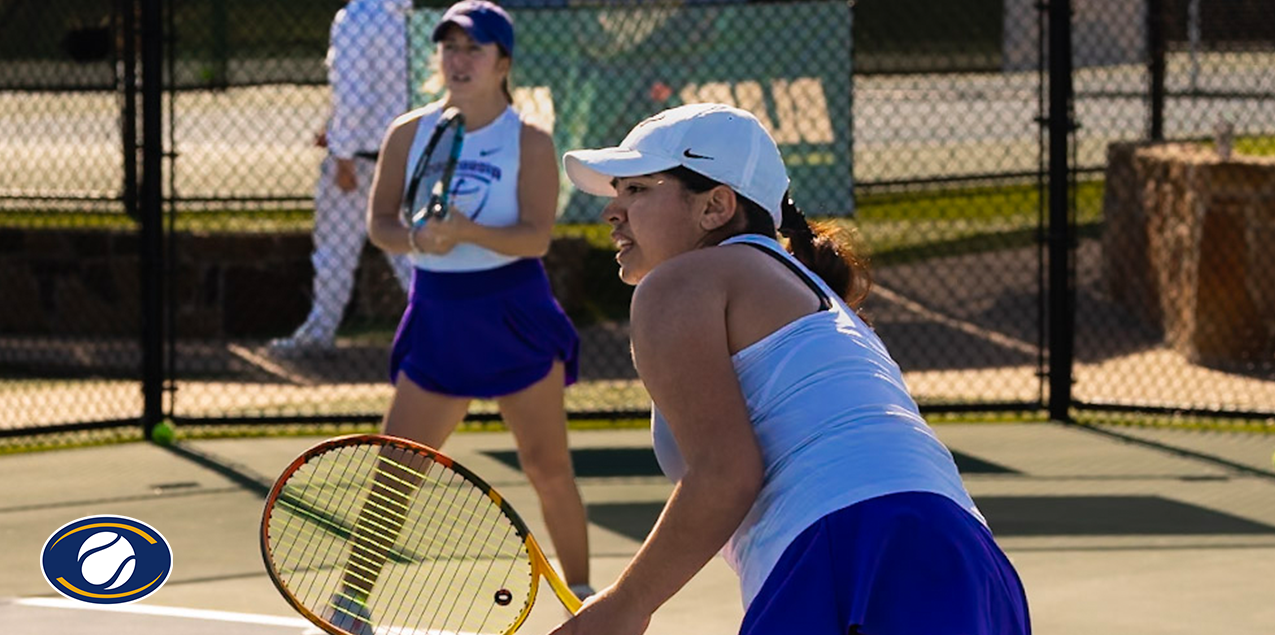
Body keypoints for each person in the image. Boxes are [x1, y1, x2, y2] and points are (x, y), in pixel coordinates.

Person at [552, 103, 1031, 635]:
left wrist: (626, 604)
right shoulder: (811, 293)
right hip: (971, 562)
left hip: (854, 549)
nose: (611, 211)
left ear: (715, 206)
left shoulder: (682, 283)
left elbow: (726, 474)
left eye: (637, 189)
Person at [359, 0, 591, 624]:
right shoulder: (408, 132)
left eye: (474, 49)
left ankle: (587, 601)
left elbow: (536, 237)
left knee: (547, 467)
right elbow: (380, 223)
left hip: (513, 312)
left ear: (502, 64)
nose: (458, 61)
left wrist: (465, 232)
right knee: (395, 470)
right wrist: (415, 241)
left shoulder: (531, 141)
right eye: (449, 48)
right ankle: (352, 601)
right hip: (438, 317)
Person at [270, 0, 415, 356]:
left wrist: (343, 154)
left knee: (335, 249)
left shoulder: (356, 17)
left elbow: (354, 94)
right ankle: (446, 325)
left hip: (360, 156)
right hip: (401, 152)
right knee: (409, 249)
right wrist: (333, 128)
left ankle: (321, 330)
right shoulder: (405, 15)